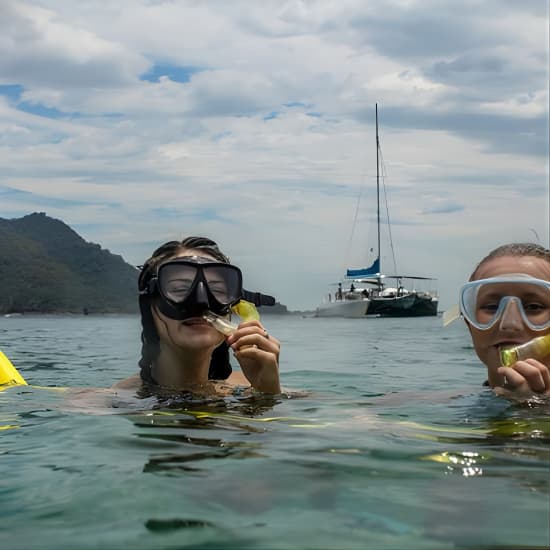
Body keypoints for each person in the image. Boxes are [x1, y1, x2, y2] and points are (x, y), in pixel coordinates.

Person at [113, 237, 281, 396]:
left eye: (217, 291)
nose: (202, 302)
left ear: (231, 307)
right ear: (151, 307)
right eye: (179, 289)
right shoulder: (108, 403)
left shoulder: (256, 387)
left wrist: (266, 395)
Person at [460, 242, 550, 398]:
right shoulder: (431, 406)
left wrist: (535, 409)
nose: (509, 324)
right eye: (492, 307)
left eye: (534, 307)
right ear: (469, 324)